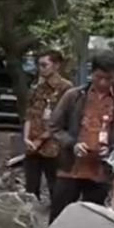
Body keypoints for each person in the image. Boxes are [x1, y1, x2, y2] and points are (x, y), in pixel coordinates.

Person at [48, 49, 114, 222]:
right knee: (59, 218)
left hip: (100, 171)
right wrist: (73, 144)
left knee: (90, 222)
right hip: (70, 169)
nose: (103, 82)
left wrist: (111, 151)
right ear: (91, 73)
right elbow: (54, 127)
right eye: (98, 77)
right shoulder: (74, 96)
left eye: (109, 78)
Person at [23, 50, 73, 201]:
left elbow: (62, 120)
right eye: (39, 65)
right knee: (30, 188)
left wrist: (41, 140)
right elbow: (29, 114)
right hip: (32, 146)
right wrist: (26, 138)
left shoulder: (66, 88)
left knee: (55, 186)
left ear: (56, 65)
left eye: (45, 65)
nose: (41, 69)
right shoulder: (37, 87)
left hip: (52, 146)